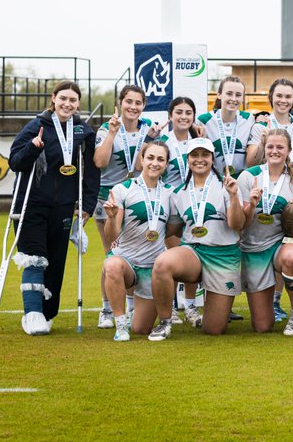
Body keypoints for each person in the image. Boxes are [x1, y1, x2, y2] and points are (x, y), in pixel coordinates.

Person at [7, 81, 100, 336]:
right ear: (53, 99)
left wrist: (88, 207)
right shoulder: (36, 126)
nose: (67, 104)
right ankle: (33, 313)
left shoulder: (83, 131)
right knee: (35, 257)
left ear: (78, 103)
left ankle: (47, 313)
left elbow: (91, 173)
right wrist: (33, 148)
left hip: (63, 207)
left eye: (73, 100)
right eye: (63, 98)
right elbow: (15, 162)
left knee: (56, 263)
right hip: (33, 204)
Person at [150, 139, 246, 340]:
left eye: (205, 155)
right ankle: (165, 322)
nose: (200, 159)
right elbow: (173, 229)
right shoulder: (179, 193)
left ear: (212, 159)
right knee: (162, 263)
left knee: (214, 329)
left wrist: (234, 196)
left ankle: (211, 309)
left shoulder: (227, 186)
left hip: (223, 254)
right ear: (188, 160)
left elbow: (238, 225)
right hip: (193, 251)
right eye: (195, 155)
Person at [236, 130, 293, 336]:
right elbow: (240, 224)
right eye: (270, 146)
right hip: (253, 247)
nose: (275, 151)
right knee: (262, 326)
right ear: (264, 148)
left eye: (280, 147)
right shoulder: (248, 177)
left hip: (282, 244)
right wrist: (251, 205)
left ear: (289, 150)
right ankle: (272, 305)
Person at [92, 83, 154, 328]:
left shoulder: (147, 129)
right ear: (120, 103)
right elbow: (100, 161)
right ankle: (107, 309)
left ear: (143, 106)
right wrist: (112, 134)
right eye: (129, 102)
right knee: (113, 254)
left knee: (134, 254)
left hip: (136, 198)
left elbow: (141, 168)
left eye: (138, 103)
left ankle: (129, 306)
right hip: (108, 199)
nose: (133, 107)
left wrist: (149, 140)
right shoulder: (107, 128)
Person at [101, 141, 173, 341]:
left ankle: (134, 317)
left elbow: (174, 229)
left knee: (141, 328)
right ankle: (120, 325)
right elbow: (111, 236)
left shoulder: (170, 192)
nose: (154, 163)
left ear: (166, 164)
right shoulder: (123, 189)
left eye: (160, 159)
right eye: (150, 158)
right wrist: (111, 217)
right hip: (127, 262)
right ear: (141, 160)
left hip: (153, 267)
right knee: (112, 265)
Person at [153, 96, 207, 322]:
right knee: (174, 256)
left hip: (195, 204)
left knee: (192, 253)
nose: (184, 117)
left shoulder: (200, 139)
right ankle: (172, 306)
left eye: (188, 112)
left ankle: (191, 306)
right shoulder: (162, 141)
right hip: (171, 206)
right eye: (179, 112)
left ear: (194, 117)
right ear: (170, 116)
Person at [197, 75, 259, 177]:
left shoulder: (249, 119)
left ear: (243, 98)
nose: (233, 99)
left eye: (238, 95)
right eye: (229, 94)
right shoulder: (203, 121)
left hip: (241, 181)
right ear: (219, 95)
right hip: (212, 181)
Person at [253, 78, 293, 170]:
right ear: (271, 97)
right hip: (267, 181)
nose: (283, 100)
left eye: (288, 97)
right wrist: (262, 143)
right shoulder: (261, 125)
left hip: (292, 180)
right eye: (279, 96)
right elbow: (250, 164)